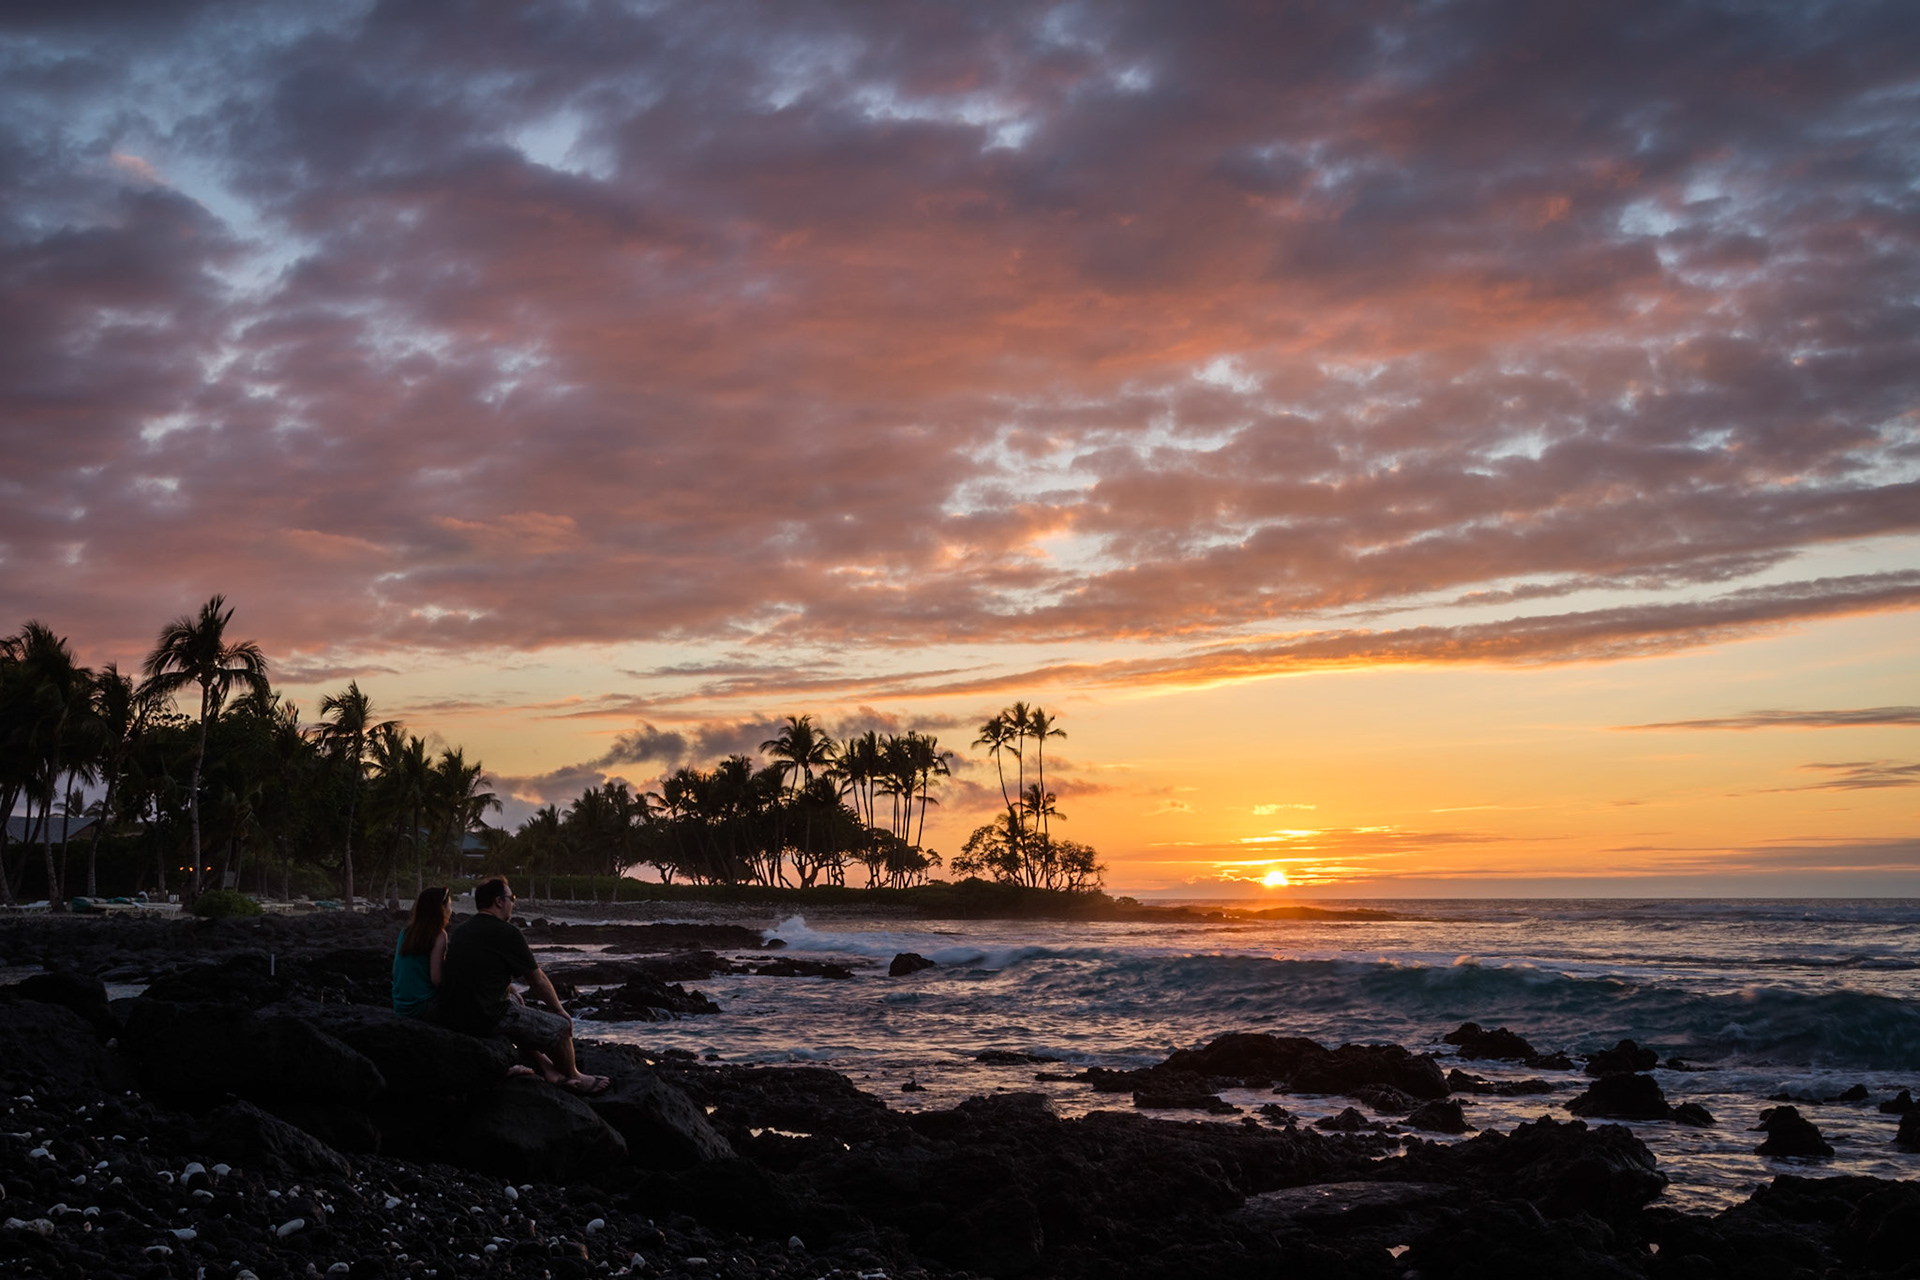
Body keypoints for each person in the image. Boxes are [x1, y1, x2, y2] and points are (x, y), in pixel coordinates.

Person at [434, 876, 609, 1095]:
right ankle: (575, 1076)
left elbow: (478, 971)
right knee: (561, 1028)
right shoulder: (507, 932)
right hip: (484, 1018)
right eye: (512, 898)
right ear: (499, 901)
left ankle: (546, 1067)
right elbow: (537, 979)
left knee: (516, 1001)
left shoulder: (462, 930)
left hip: (453, 1013)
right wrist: (559, 1010)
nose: (513, 903)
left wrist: (511, 990)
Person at [391, 886, 451, 1018]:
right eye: (449, 905)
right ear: (441, 909)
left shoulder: (405, 932)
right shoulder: (439, 935)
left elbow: (396, 971)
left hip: (399, 1005)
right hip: (421, 1006)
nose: (450, 910)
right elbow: (436, 980)